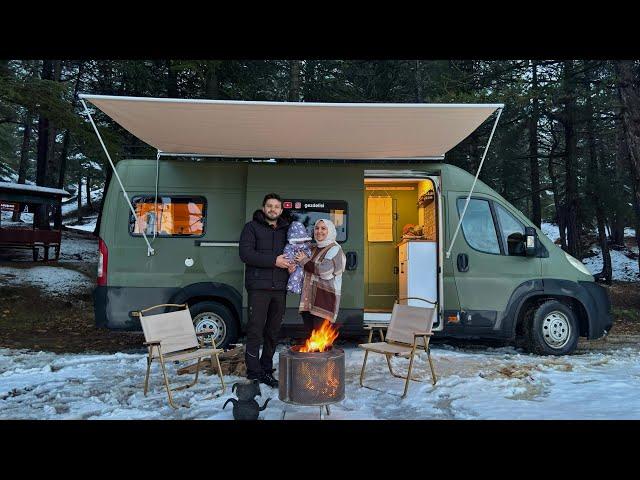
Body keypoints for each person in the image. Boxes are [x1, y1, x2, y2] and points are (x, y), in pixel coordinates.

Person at [239, 193, 294, 388]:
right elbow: (245, 254)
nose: (273, 209)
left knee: (273, 331)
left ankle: (266, 369)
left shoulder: (286, 230)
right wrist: (274, 261)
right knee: (255, 331)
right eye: (269, 206)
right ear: (263, 208)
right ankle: (254, 373)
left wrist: (292, 264)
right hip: (258, 288)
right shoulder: (251, 228)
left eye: (276, 206)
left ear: (281, 210)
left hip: (279, 288)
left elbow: (292, 252)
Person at [294, 219, 347, 336]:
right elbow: (302, 265)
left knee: (321, 339)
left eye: (323, 228)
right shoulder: (312, 248)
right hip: (309, 300)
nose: (319, 231)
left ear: (331, 231)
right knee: (310, 338)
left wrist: (304, 261)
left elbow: (325, 270)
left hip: (324, 301)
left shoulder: (335, 249)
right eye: (317, 228)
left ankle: (322, 354)